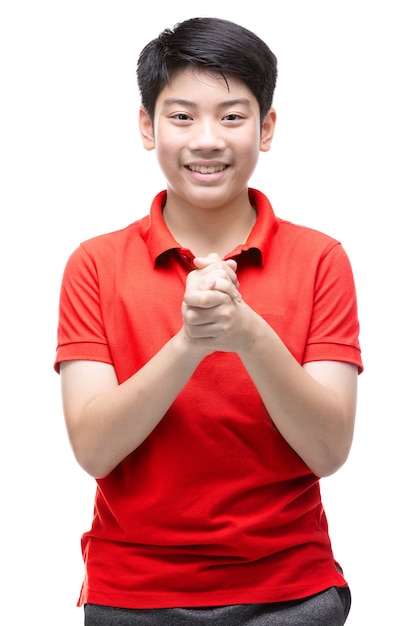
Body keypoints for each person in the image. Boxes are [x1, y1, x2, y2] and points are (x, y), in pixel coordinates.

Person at [54, 16, 363, 626]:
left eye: (231, 115)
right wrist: (190, 343)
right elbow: (93, 448)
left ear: (265, 128)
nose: (207, 139)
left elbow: (328, 449)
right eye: (181, 115)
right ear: (147, 126)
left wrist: (247, 333)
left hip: (292, 592)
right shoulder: (94, 264)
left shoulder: (321, 259)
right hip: (134, 594)